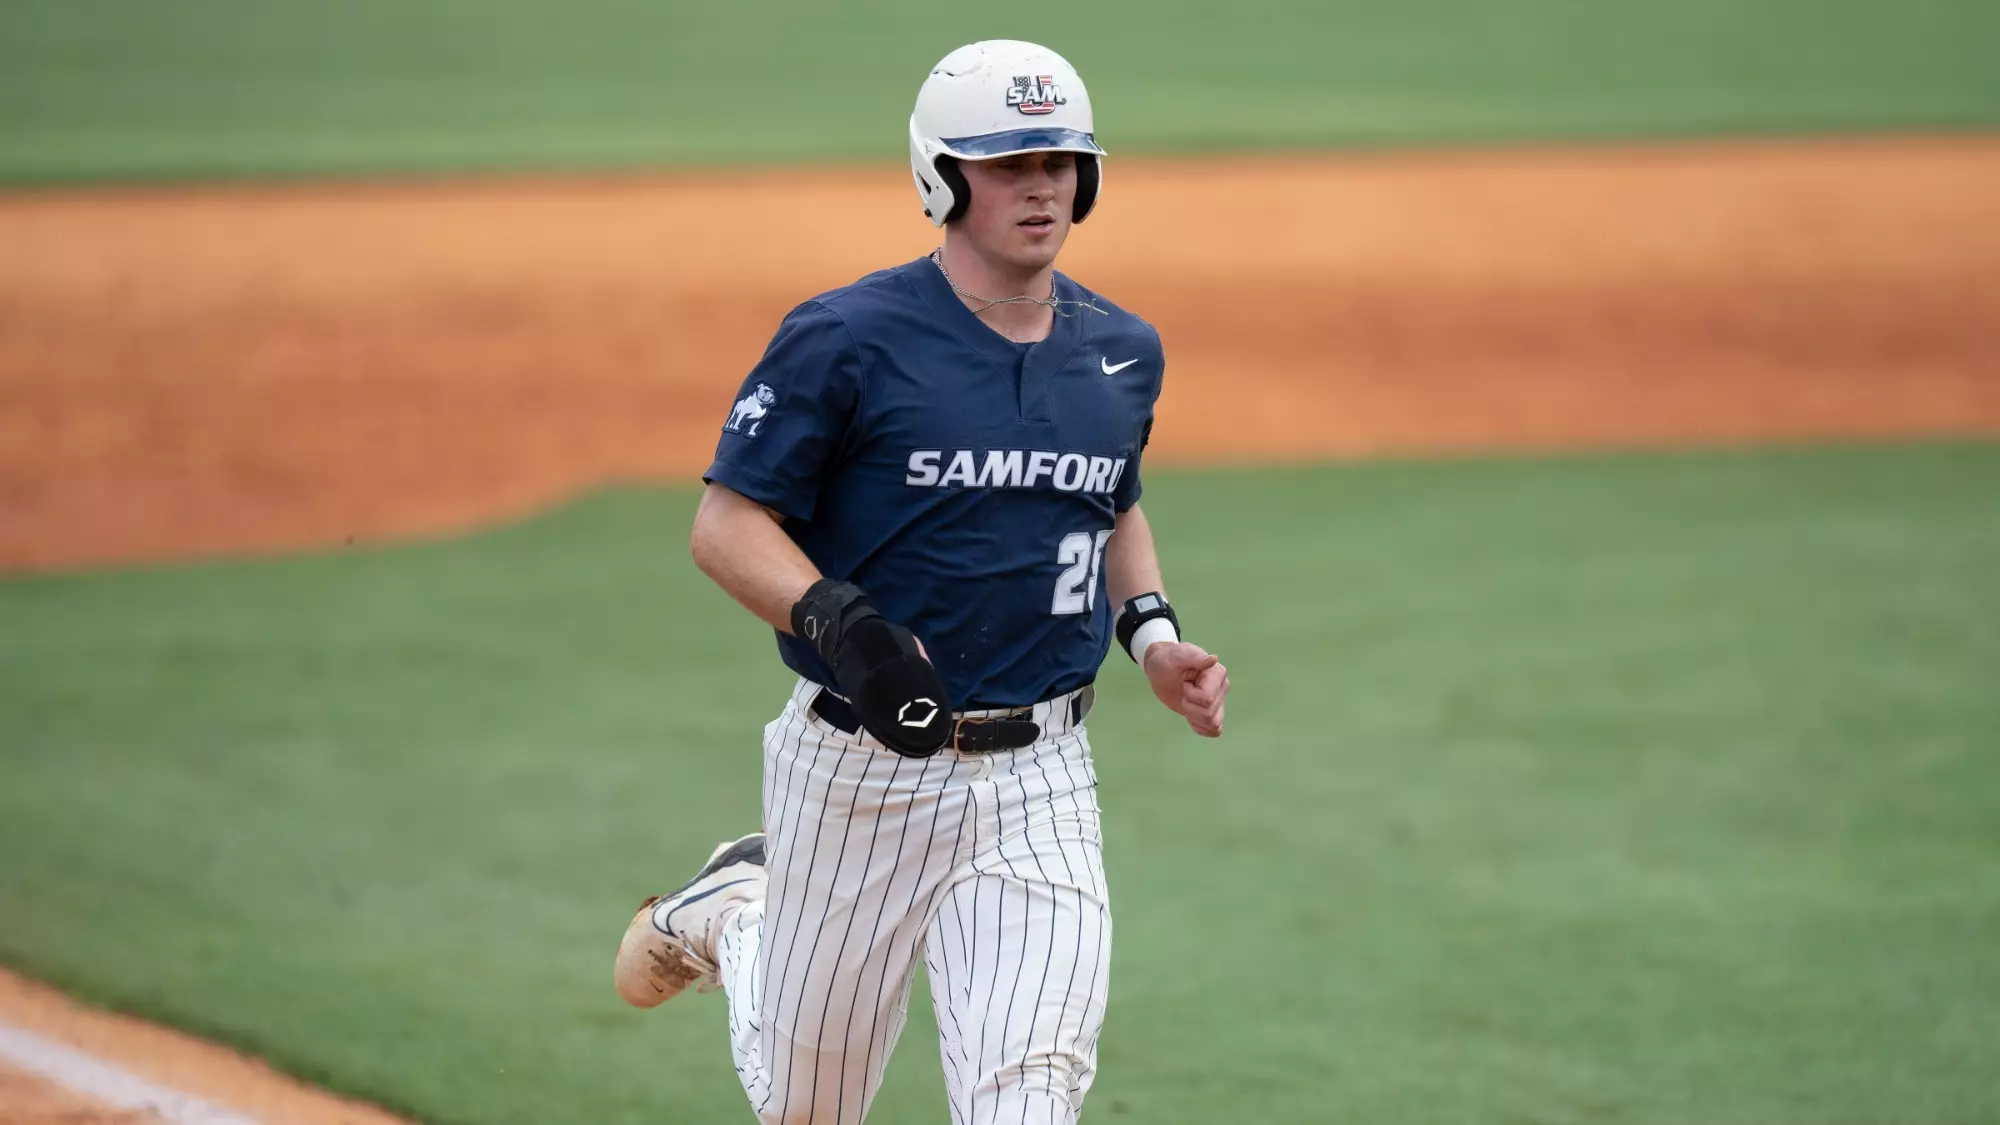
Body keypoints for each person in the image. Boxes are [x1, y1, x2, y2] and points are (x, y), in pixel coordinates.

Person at [612, 39, 1231, 1125]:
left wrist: (1151, 635)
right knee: (812, 1109)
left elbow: (1107, 498)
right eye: (1006, 164)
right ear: (942, 178)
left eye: (1058, 161)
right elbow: (726, 523)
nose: (1039, 185)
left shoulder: (1120, 351)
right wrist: (841, 623)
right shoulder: (846, 338)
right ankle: (740, 915)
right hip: (856, 777)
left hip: (1040, 782)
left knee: (1028, 1096)